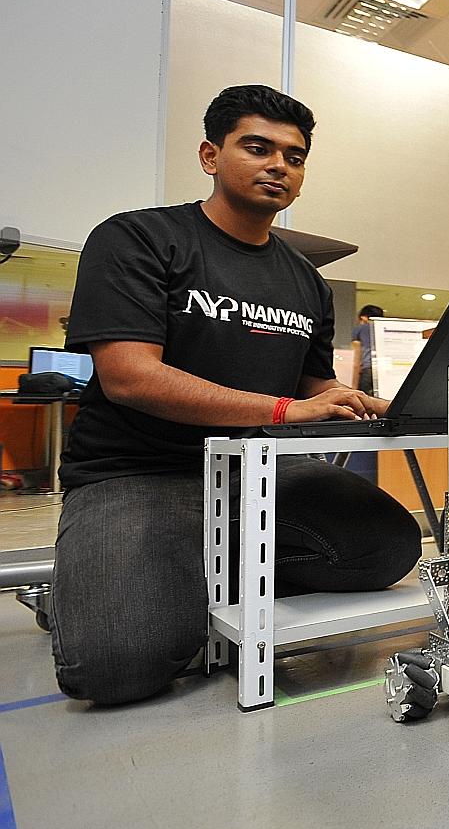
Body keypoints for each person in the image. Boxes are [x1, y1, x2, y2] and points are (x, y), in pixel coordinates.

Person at [52, 84, 422, 705]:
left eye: (294, 157)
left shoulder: (306, 280)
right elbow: (129, 376)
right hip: (142, 469)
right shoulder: (138, 239)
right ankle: (116, 588)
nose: (279, 165)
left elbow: (311, 382)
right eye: (257, 148)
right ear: (210, 156)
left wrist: (358, 401)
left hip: (257, 467)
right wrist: (283, 411)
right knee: (115, 667)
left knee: (387, 547)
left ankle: (182, 582)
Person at [352, 304, 383, 395]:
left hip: (367, 369)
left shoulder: (360, 329)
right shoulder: (382, 329)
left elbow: (357, 355)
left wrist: (354, 385)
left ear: (363, 317)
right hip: (382, 369)